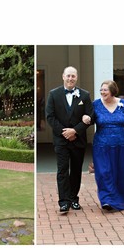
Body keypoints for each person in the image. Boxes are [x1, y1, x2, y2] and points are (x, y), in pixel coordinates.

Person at [82, 80, 124, 211]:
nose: (102, 92)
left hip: (122, 145)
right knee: (104, 173)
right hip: (102, 145)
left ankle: (123, 198)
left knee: (121, 172)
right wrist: (86, 118)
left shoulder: (123, 104)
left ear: (112, 91)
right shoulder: (95, 105)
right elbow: (89, 119)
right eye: (101, 90)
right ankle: (107, 200)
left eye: (105, 90)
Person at [45, 66, 93, 213]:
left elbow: (90, 117)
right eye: (68, 76)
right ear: (63, 76)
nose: (70, 79)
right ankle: (64, 202)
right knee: (62, 171)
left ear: (76, 77)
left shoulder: (84, 95)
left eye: (73, 76)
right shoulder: (53, 94)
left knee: (76, 170)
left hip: (78, 140)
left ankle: (73, 199)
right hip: (61, 140)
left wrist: (75, 131)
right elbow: (50, 117)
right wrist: (64, 132)